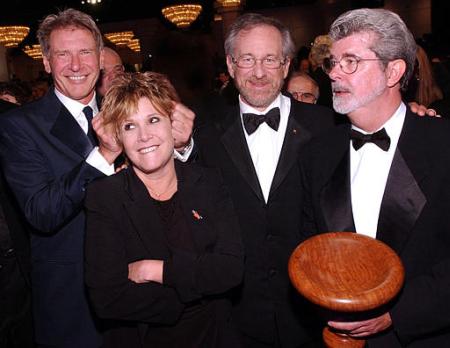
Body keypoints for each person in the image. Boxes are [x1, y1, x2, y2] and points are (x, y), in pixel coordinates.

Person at [0, 8, 194, 348]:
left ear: (100, 58)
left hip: (146, 295)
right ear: (46, 62)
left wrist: (182, 147)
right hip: (72, 304)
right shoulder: (20, 126)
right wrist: (102, 155)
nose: (76, 66)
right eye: (63, 54)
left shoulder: (129, 111)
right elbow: (42, 212)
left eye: (85, 52)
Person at [300, 8, 450, 347]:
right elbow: (309, 250)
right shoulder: (316, 154)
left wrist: (398, 313)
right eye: (333, 62)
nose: (335, 74)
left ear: (393, 71)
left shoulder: (442, 146)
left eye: (350, 61)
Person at [194, 13, 337, 347]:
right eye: (247, 59)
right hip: (234, 320)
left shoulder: (329, 126)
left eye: (270, 59)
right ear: (230, 65)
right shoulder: (203, 135)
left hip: (313, 317)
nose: (258, 72)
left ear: (286, 65)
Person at [84, 71, 244, 348]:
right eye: (129, 126)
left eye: (153, 120)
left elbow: (231, 269)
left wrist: (155, 270)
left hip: (215, 336)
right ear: (119, 138)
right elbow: (106, 298)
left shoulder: (208, 182)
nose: (144, 136)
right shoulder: (105, 196)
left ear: (174, 124)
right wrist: (196, 292)